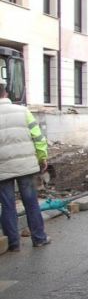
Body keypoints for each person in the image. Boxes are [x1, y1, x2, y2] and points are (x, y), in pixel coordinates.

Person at [0, 77, 50, 251]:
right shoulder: (23, 111)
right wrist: (42, 157)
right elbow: (38, 137)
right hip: (26, 166)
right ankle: (39, 238)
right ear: (6, 91)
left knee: (7, 205)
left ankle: (13, 244)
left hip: (3, 169)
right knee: (31, 202)